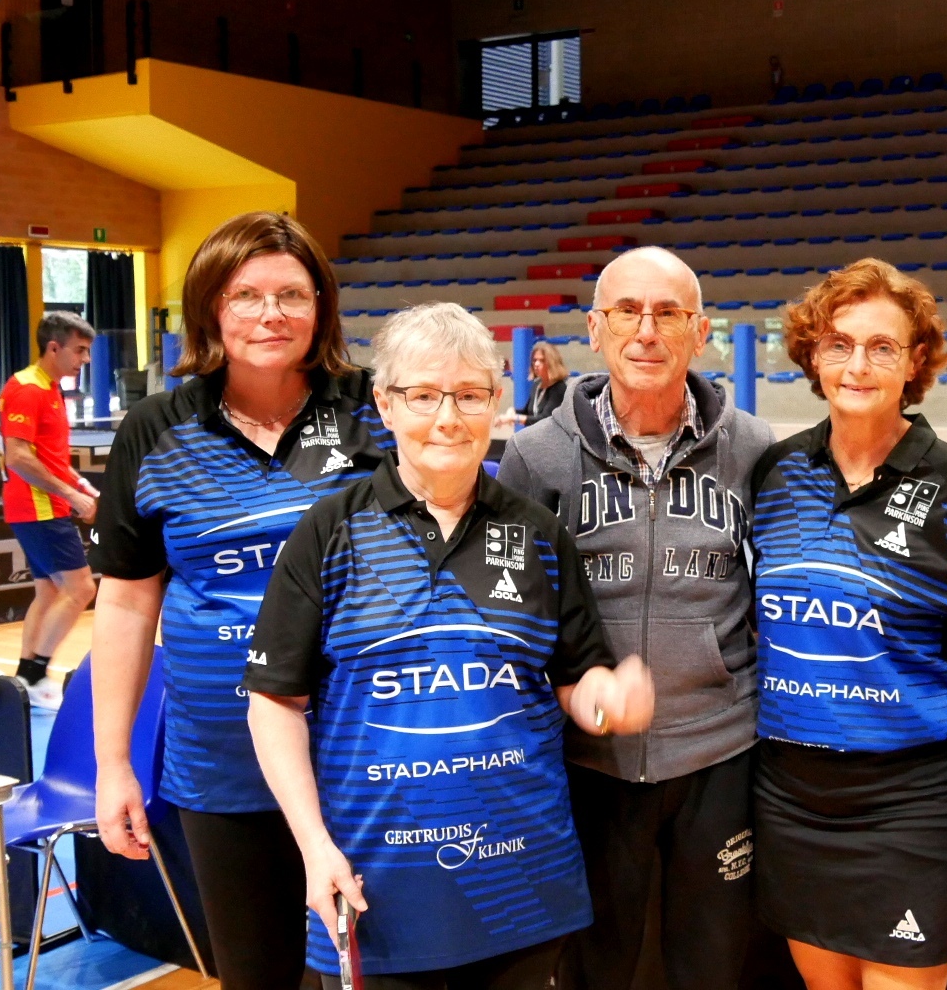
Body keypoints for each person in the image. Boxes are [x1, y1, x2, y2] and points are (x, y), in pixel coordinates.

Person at [246, 303, 655, 990]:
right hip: (375, 886)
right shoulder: (330, 531)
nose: (448, 417)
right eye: (424, 395)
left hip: (524, 877)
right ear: (385, 403)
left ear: (496, 403)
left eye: (469, 395)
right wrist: (314, 847)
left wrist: (607, 702)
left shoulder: (538, 534)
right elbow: (274, 702)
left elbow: (576, 676)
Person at [91, 211, 393, 990]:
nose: (271, 314)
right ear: (210, 308)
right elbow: (126, 605)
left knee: (375, 974)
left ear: (321, 306)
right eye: (246, 295)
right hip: (220, 766)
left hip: (365, 754)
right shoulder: (155, 430)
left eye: (292, 294)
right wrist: (113, 763)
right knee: (256, 975)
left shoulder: (376, 408)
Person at [497, 245, 773, 990]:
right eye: (627, 311)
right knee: (597, 966)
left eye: (668, 313)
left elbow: (775, 593)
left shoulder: (754, 450)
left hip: (719, 753)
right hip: (589, 762)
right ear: (595, 328)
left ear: (700, 332)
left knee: (711, 967)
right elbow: (516, 614)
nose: (647, 331)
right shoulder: (535, 457)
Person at [750, 258, 947, 990]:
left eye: (882, 347)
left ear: (915, 361)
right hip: (789, 794)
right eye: (839, 344)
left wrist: (895, 681)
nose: (857, 365)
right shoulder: (775, 472)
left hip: (909, 800)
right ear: (813, 354)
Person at [0, 311, 99, 711]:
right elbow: (18, 457)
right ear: (54, 348)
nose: (85, 359)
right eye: (80, 350)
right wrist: (72, 496)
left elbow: (50, 457)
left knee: (50, 591)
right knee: (81, 588)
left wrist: (83, 487)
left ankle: (25, 678)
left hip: (43, 503)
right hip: (38, 506)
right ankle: (37, 674)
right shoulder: (28, 389)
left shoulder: (51, 388)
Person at [522, 340, 570, 427]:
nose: (536, 364)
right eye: (534, 360)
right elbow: (527, 412)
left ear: (552, 363)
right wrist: (511, 414)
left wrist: (516, 418)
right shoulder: (536, 385)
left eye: (542, 360)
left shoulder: (559, 388)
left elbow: (545, 419)